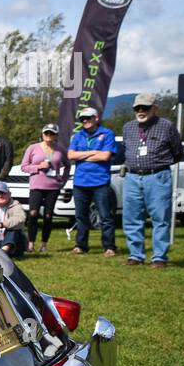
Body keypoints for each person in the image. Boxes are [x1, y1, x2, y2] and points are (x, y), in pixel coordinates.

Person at [120, 92, 182, 268]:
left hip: (157, 175)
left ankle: (159, 257)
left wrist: (160, 165)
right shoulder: (128, 127)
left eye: (145, 107)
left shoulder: (167, 126)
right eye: (137, 108)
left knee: (160, 217)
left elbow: (177, 152)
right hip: (132, 176)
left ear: (154, 108)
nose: (141, 111)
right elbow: (125, 149)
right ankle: (135, 255)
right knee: (131, 218)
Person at [67, 107, 117, 256]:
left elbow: (105, 157)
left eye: (88, 118)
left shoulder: (107, 134)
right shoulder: (77, 136)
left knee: (105, 216)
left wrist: (81, 156)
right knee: (81, 216)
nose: (85, 121)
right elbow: (70, 155)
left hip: (100, 181)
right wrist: (94, 152)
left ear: (96, 118)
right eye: (82, 119)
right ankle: (81, 246)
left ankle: (109, 247)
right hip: (80, 182)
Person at [20, 123, 65, 253]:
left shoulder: (60, 150)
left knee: (48, 216)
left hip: (53, 187)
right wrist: (38, 167)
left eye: (52, 133)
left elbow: (67, 165)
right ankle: (30, 243)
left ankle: (44, 244)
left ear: (56, 136)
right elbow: (24, 166)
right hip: (36, 185)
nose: (49, 136)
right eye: (46, 133)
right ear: (42, 134)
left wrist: (63, 179)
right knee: (33, 214)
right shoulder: (33, 148)